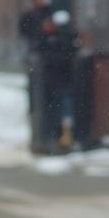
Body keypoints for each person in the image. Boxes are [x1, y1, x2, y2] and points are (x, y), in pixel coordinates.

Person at [37, 9, 81, 151]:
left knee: (58, 110)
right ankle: (65, 137)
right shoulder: (70, 38)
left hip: (55, 81)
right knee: (66, 109)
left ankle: (58, 137)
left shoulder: (52, 39)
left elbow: (43, 53)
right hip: (65, 80)